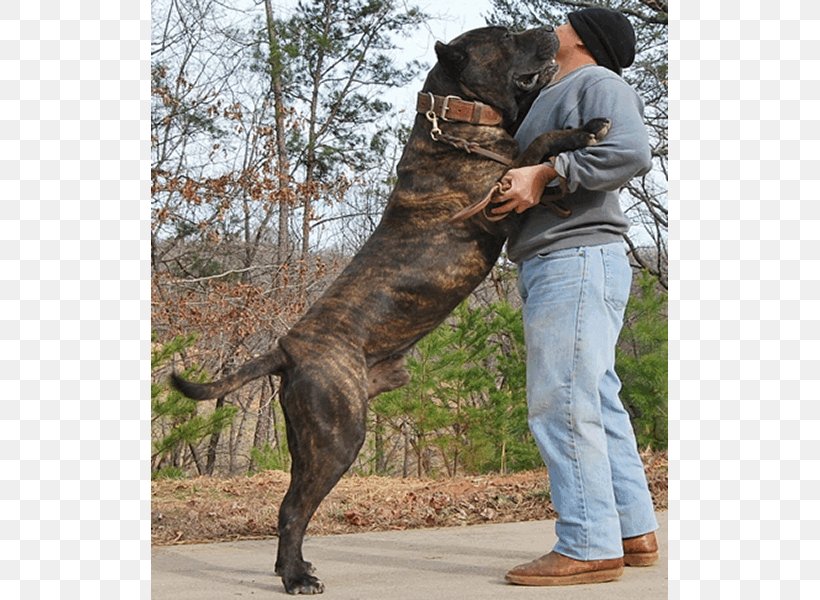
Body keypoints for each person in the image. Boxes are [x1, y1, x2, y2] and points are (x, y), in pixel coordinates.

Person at [496, 8, 660, 587]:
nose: (554, 28)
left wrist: (547, 174)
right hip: (568, 258)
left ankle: (588, 544)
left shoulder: (598, 82)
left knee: (561, 400)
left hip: (576, 257)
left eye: (566, 22)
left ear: (583, 40)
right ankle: (631, 531)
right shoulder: (552, 90)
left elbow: (632, 153)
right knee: (596, 399)